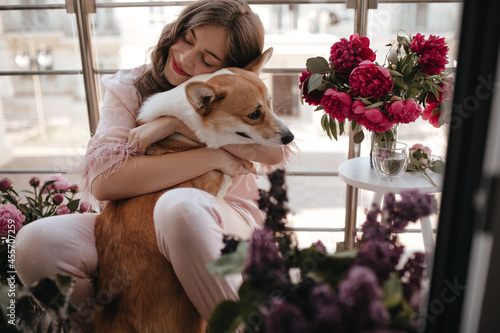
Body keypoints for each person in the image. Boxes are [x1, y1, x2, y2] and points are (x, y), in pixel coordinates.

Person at [14, 0, 291, 331]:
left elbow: (274, 153)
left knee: (179, 208)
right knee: (35, 242)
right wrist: (215, 156)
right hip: (134, 226)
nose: (186, 58)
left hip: (225, 219)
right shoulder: (130, 86)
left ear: (230, 72)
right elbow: (105, 183)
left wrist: (175, 124)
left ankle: (240, 326)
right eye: (187, 39)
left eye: (208, 59)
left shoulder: (236, 97)